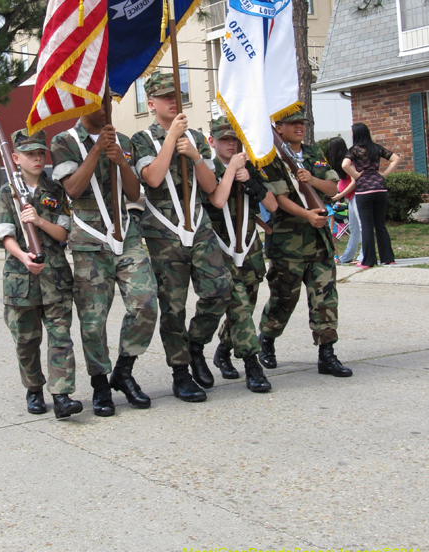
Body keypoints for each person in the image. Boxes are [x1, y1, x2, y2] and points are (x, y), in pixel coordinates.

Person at [131, 72, 232, 402]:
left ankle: (197, 344)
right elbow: (154, 179)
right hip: (163, 234)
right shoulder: (143, 138)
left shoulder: (197, 136)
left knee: (219, 290)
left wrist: (195, 155)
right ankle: (180, 372)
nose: (174, 101)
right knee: (172, 308)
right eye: (166, 97)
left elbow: (209, 186)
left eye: (177, 95)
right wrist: (172, 139)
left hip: (199, 228)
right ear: (151, 103)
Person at [51, 108, 157, 417]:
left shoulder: (123, 140)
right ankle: (99, 383)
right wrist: (97, 150)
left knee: (146, 304)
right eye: (95, 100)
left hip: (126, 236)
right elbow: (72, 189)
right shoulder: (64, 141)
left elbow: (135, 192)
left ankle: (123, 370)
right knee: (93, 322)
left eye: (105, 99)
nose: (102, 106)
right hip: (89, 241)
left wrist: (121, 161)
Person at [257, 106, 353, 378]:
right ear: (279, 128)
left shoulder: (313, 154)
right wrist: (307, 215)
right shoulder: (271, 158)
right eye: (292, 122)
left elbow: (333, 188)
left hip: (319, 241)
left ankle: (327, 354)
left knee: (325, 298)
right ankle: (267, 341)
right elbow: (279, 200)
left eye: (302, 122)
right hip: (289, 243)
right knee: (284, 299)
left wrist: (312, 180)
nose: (299, 126)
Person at [0, 128, 82, 420]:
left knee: (61, 338)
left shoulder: (55, 190)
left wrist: (38, 220)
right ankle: (34, 389)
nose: (36, 158)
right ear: (15, 158)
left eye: (40, 153)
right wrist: (23, 256)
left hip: (55, 277)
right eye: (29, 154)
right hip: (21, 280)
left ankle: (62, 395)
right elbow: (5, 235)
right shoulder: (7, 194)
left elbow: (63, 233)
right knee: (26, 342)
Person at [204, 117, 277, 392]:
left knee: (248, 303)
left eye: (234, 139)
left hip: (249, 248)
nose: (230, 144)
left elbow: (272, 205)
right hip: (220, 250)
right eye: (224, 139)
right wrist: (230, 171)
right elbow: (217, 200)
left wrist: (252, 184)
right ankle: (252, 365)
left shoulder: (248, 169)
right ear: (212, 141)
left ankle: (223, 349)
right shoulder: (206, 167)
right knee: (239, 306)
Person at [343, 123, 401, 268]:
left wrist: (355, 174)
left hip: (364, 190)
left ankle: (368, 261)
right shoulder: (376, 148)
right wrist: (384, 174)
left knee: (367, 225)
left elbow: (345, 165)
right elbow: (396, 159)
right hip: (380, 189)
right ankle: (388, 258)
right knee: (380, 224)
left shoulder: (354, 150)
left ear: (356, 134)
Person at [327, 137, 362, 265]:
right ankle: (347, 256)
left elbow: (354, 181)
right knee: (353, 227)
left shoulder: (349, 162)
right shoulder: (339, 164)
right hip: (350, 198)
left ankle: (364, 255)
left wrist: (339, 195)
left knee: (362, 226)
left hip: (357, 195)